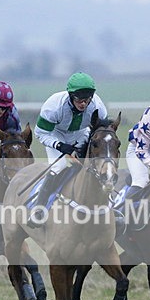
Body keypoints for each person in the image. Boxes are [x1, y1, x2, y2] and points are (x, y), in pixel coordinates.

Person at [30, 72, 107, 225]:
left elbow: (102, 131)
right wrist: (59, 145)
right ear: (71, 95)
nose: (83, 104)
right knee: (59, 166)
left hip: (81, 134)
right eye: (79, 99)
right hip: (55, 134)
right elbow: (40, 133)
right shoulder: (53, 107)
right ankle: (39, 208)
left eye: (87, 99)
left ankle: (110, 206)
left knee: (97, 167)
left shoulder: (98, 107)